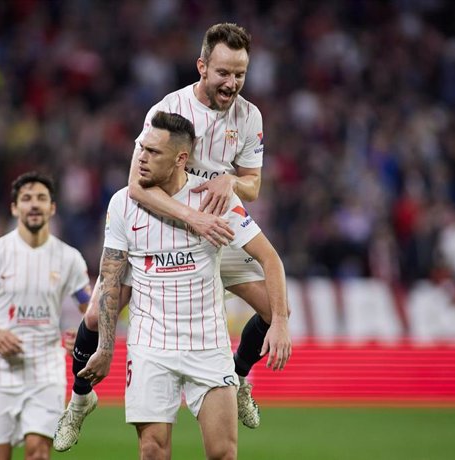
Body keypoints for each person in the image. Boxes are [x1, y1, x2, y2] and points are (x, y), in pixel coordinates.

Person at [54, 22, 291, 452]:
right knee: (95, 318)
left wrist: (228, 184)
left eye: (240, 74)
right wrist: (191, 217)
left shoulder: (250, 116)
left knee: (279, 310)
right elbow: (136, 185)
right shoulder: (170, 109)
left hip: (217, 224)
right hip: (168, 221)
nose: (232, 83)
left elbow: (252, 185)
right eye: (223, 73)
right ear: (202, 66)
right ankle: (79, 400)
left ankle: (236, 377)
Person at [80, 111, 290, 459]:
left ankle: (239, 380)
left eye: (152, 153)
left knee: (223, 453)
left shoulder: (217, 200)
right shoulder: (123, 203)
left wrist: (280, 321)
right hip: (150, 345)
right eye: (141, 149)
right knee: (152, 451)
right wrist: (105, 347)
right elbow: (112, 276)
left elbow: (271, 259)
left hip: (208, 344)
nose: (141, 159)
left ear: (181, 158)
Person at [0, 171, 91, 460]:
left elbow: (88, 307)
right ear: (14, 208)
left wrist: (82, 334)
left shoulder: (69, 258)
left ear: (52, 208)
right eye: (26, 199)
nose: (34, 205)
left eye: (41, 198)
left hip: (46, 369)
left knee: (39, 452)